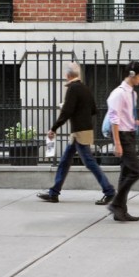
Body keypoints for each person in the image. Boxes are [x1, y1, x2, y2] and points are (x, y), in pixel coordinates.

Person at [37, 62, 116, 205]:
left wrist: (53, 128)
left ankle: (109, 191)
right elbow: (93, 109)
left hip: (79, 132)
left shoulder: (73, 89)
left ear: (67, 75)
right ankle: (53, 193)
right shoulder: (85, 89)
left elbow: (67, 112)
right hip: (83, 130)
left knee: (90, 163)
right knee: (64, 162)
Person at [105, 60, 139, 222]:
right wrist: (117, 143)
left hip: (130, 134)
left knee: (126, 173)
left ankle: (121, 211)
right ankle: (116, 204)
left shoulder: (132, 93)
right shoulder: (118, 93)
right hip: (122, 135)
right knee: (136, 171)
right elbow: (114, 119)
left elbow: (128, 118)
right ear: (132, 75)